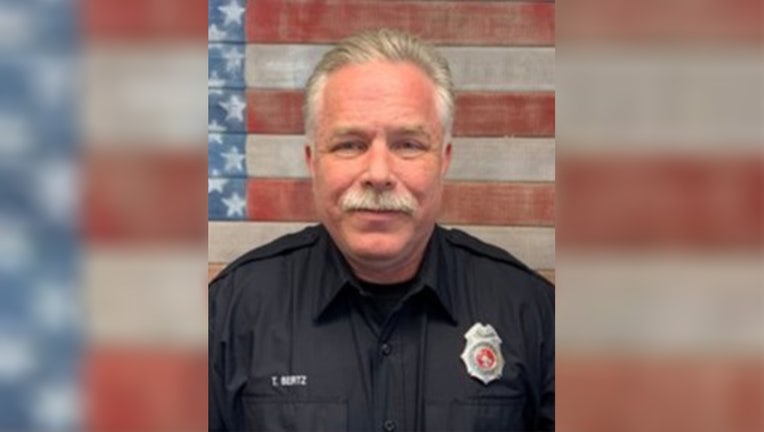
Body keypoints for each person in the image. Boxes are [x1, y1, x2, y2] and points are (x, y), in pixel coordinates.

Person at [209, 28, 554, 432]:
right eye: (350, 145)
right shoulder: (232, 313)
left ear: (443, 160)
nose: (378, 174)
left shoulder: (530, 312)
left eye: (407, 145)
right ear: (312, 160)